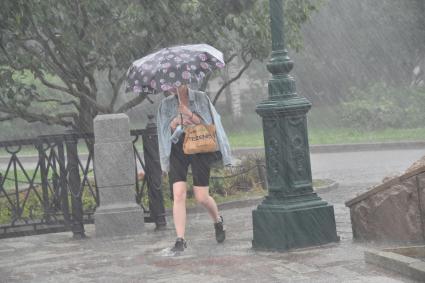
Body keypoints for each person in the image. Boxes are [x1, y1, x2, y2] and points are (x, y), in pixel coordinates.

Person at [156, 84, 232, 252]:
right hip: (177, 148)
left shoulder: (200, 97)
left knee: (201, 197)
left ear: (185, 81)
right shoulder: (165, 104)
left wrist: (189, 114)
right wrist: (174, 123)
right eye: (169, 82)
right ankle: (180, 239)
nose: (172, 86)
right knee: (178, 194)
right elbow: (162, 132)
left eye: (176, 81)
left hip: (200, 145)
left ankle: (218, 221)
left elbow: (210, 124)